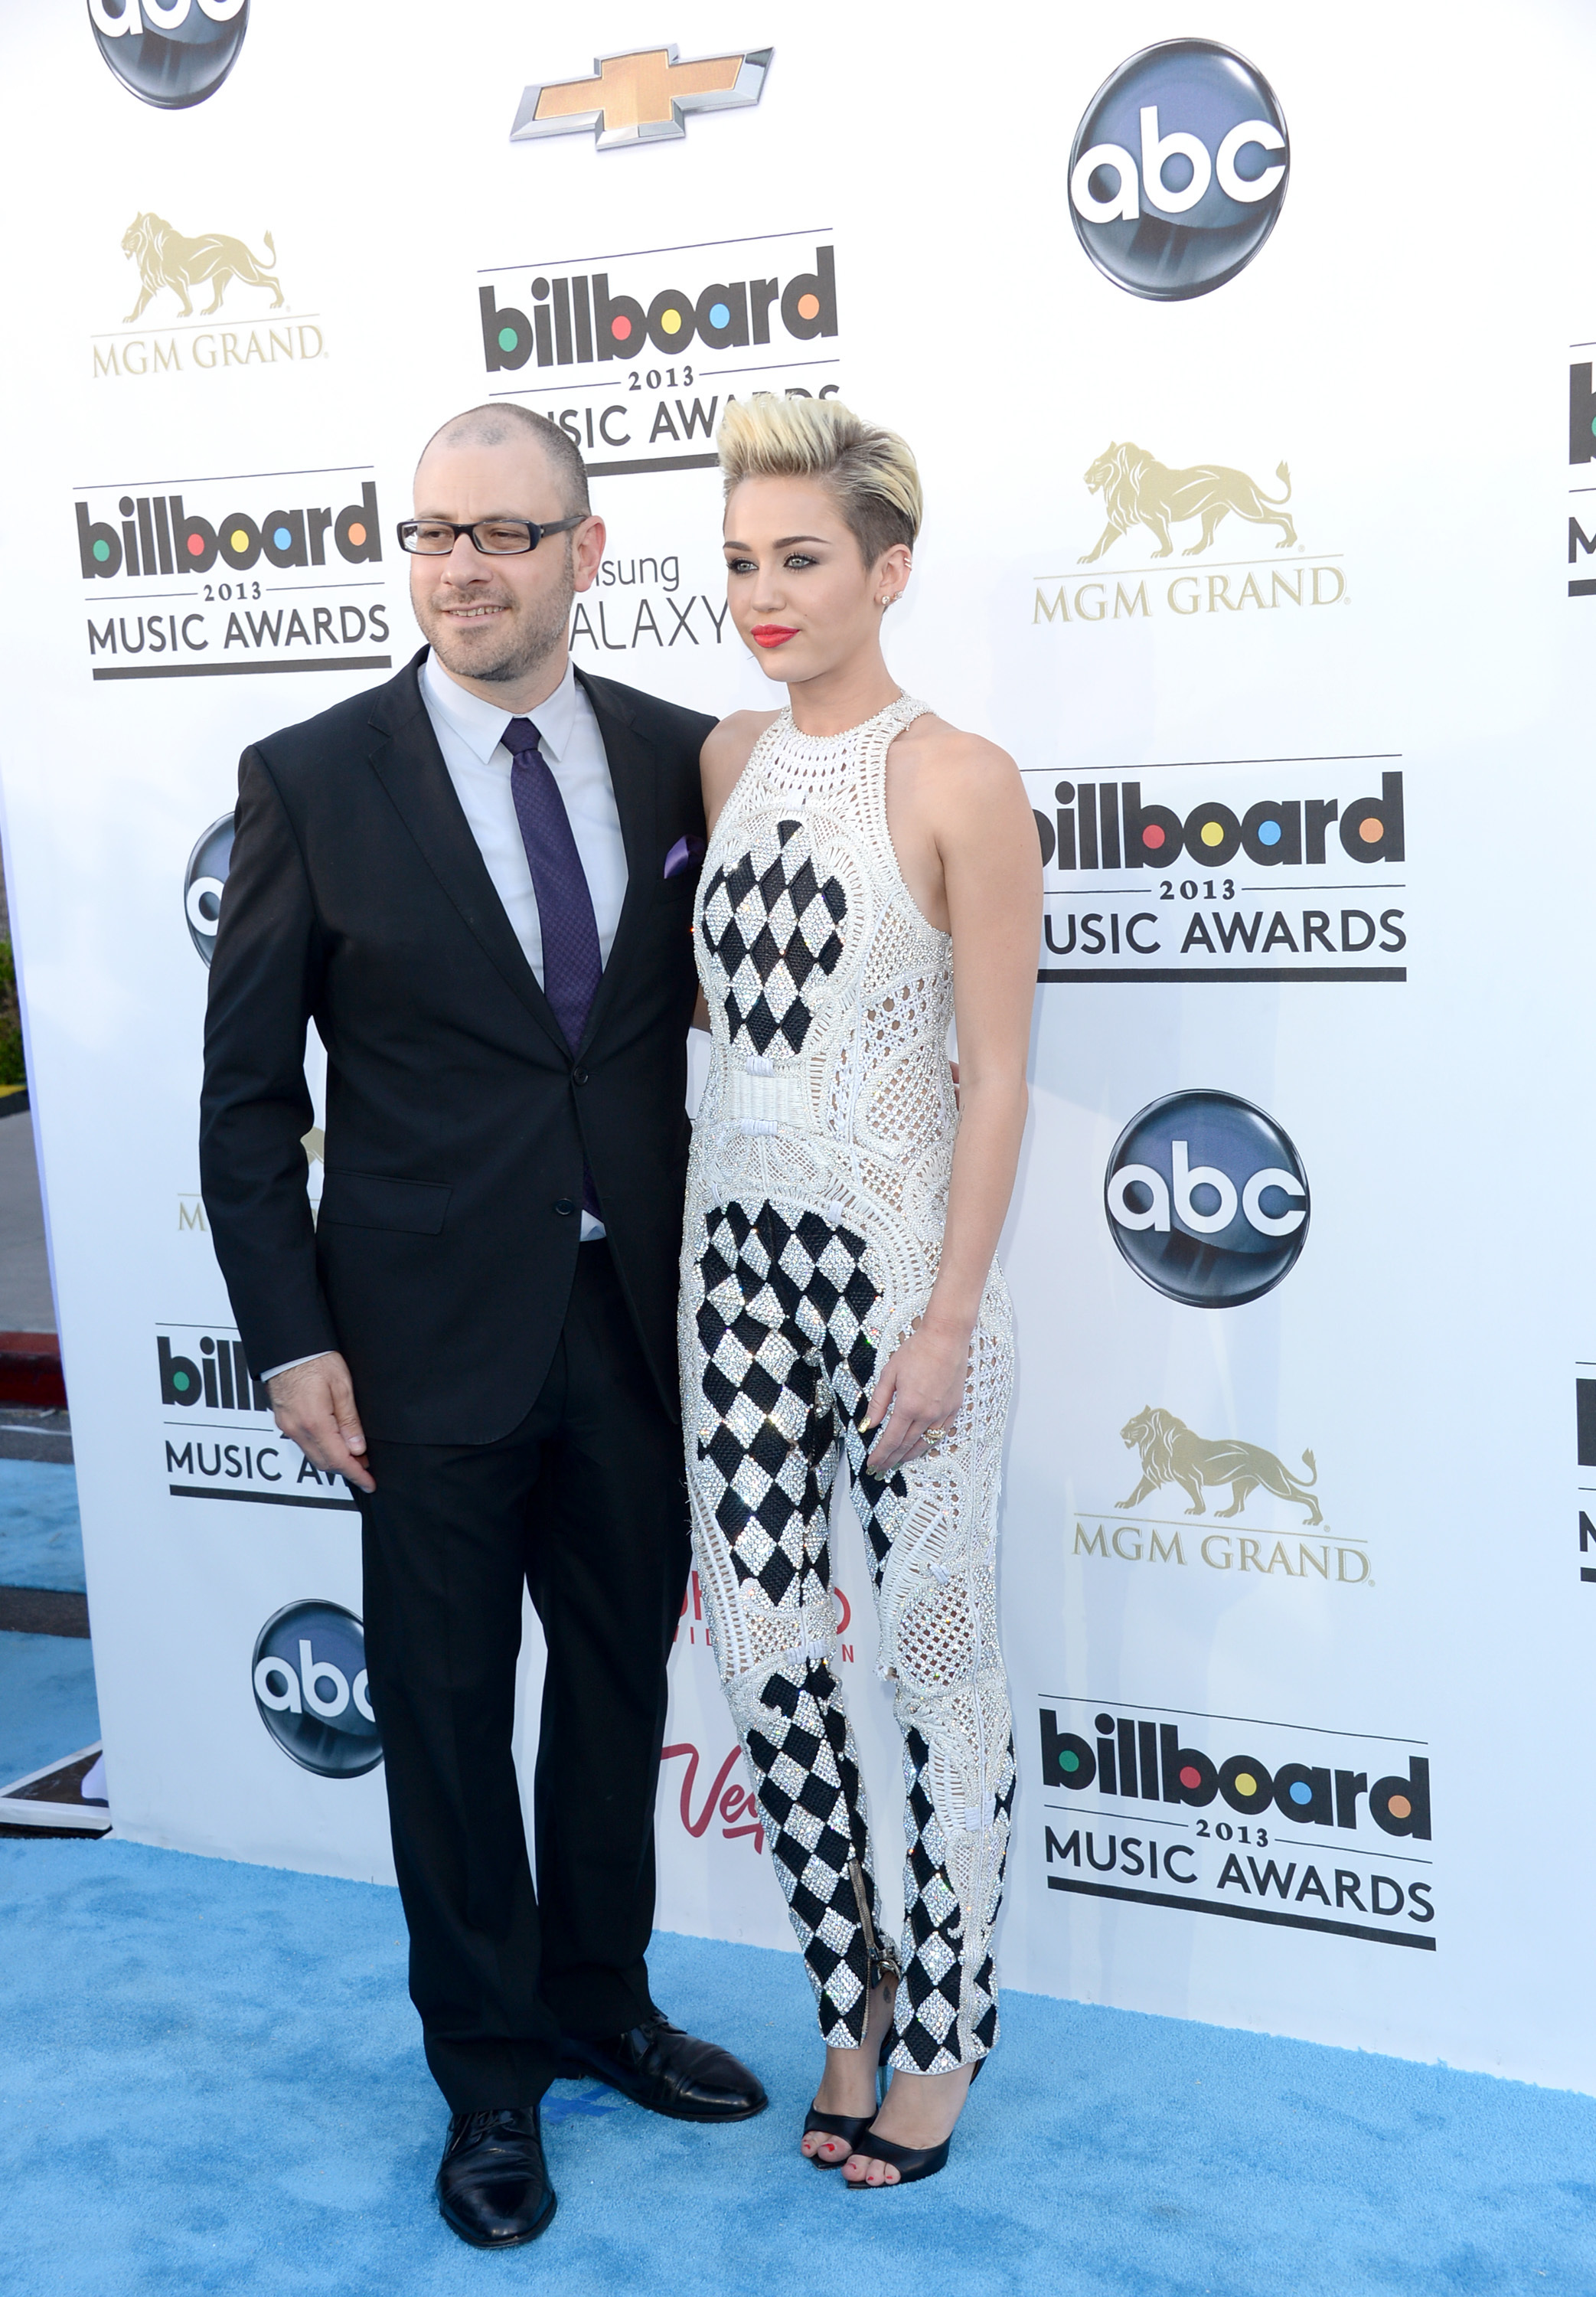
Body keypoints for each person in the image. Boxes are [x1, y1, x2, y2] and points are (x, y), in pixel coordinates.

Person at [199, 404, 765, 2253]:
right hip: (417, 1342)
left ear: (583, 555)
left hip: (636, 1321)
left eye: (502, 535)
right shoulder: (311, 778)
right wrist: (289, 1339)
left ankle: (601, 2002)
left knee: (612, 1694)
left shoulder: (683, 758)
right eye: (433, 533)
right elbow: (246, 1102)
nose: (460, 568)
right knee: (445, 1719)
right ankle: (489, 2078)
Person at [682, 398, 1041, 2188]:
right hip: (727, 1269)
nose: (763, 593)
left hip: (900, 1281)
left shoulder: (959, 775)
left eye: (800, 559)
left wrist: (947, 1319)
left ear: (886, 572)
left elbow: (998, 1075)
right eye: (741, 560)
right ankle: (852, 1992)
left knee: (934, 1657)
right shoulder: (726, 758)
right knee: (762, 1651)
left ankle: (950, 2031)